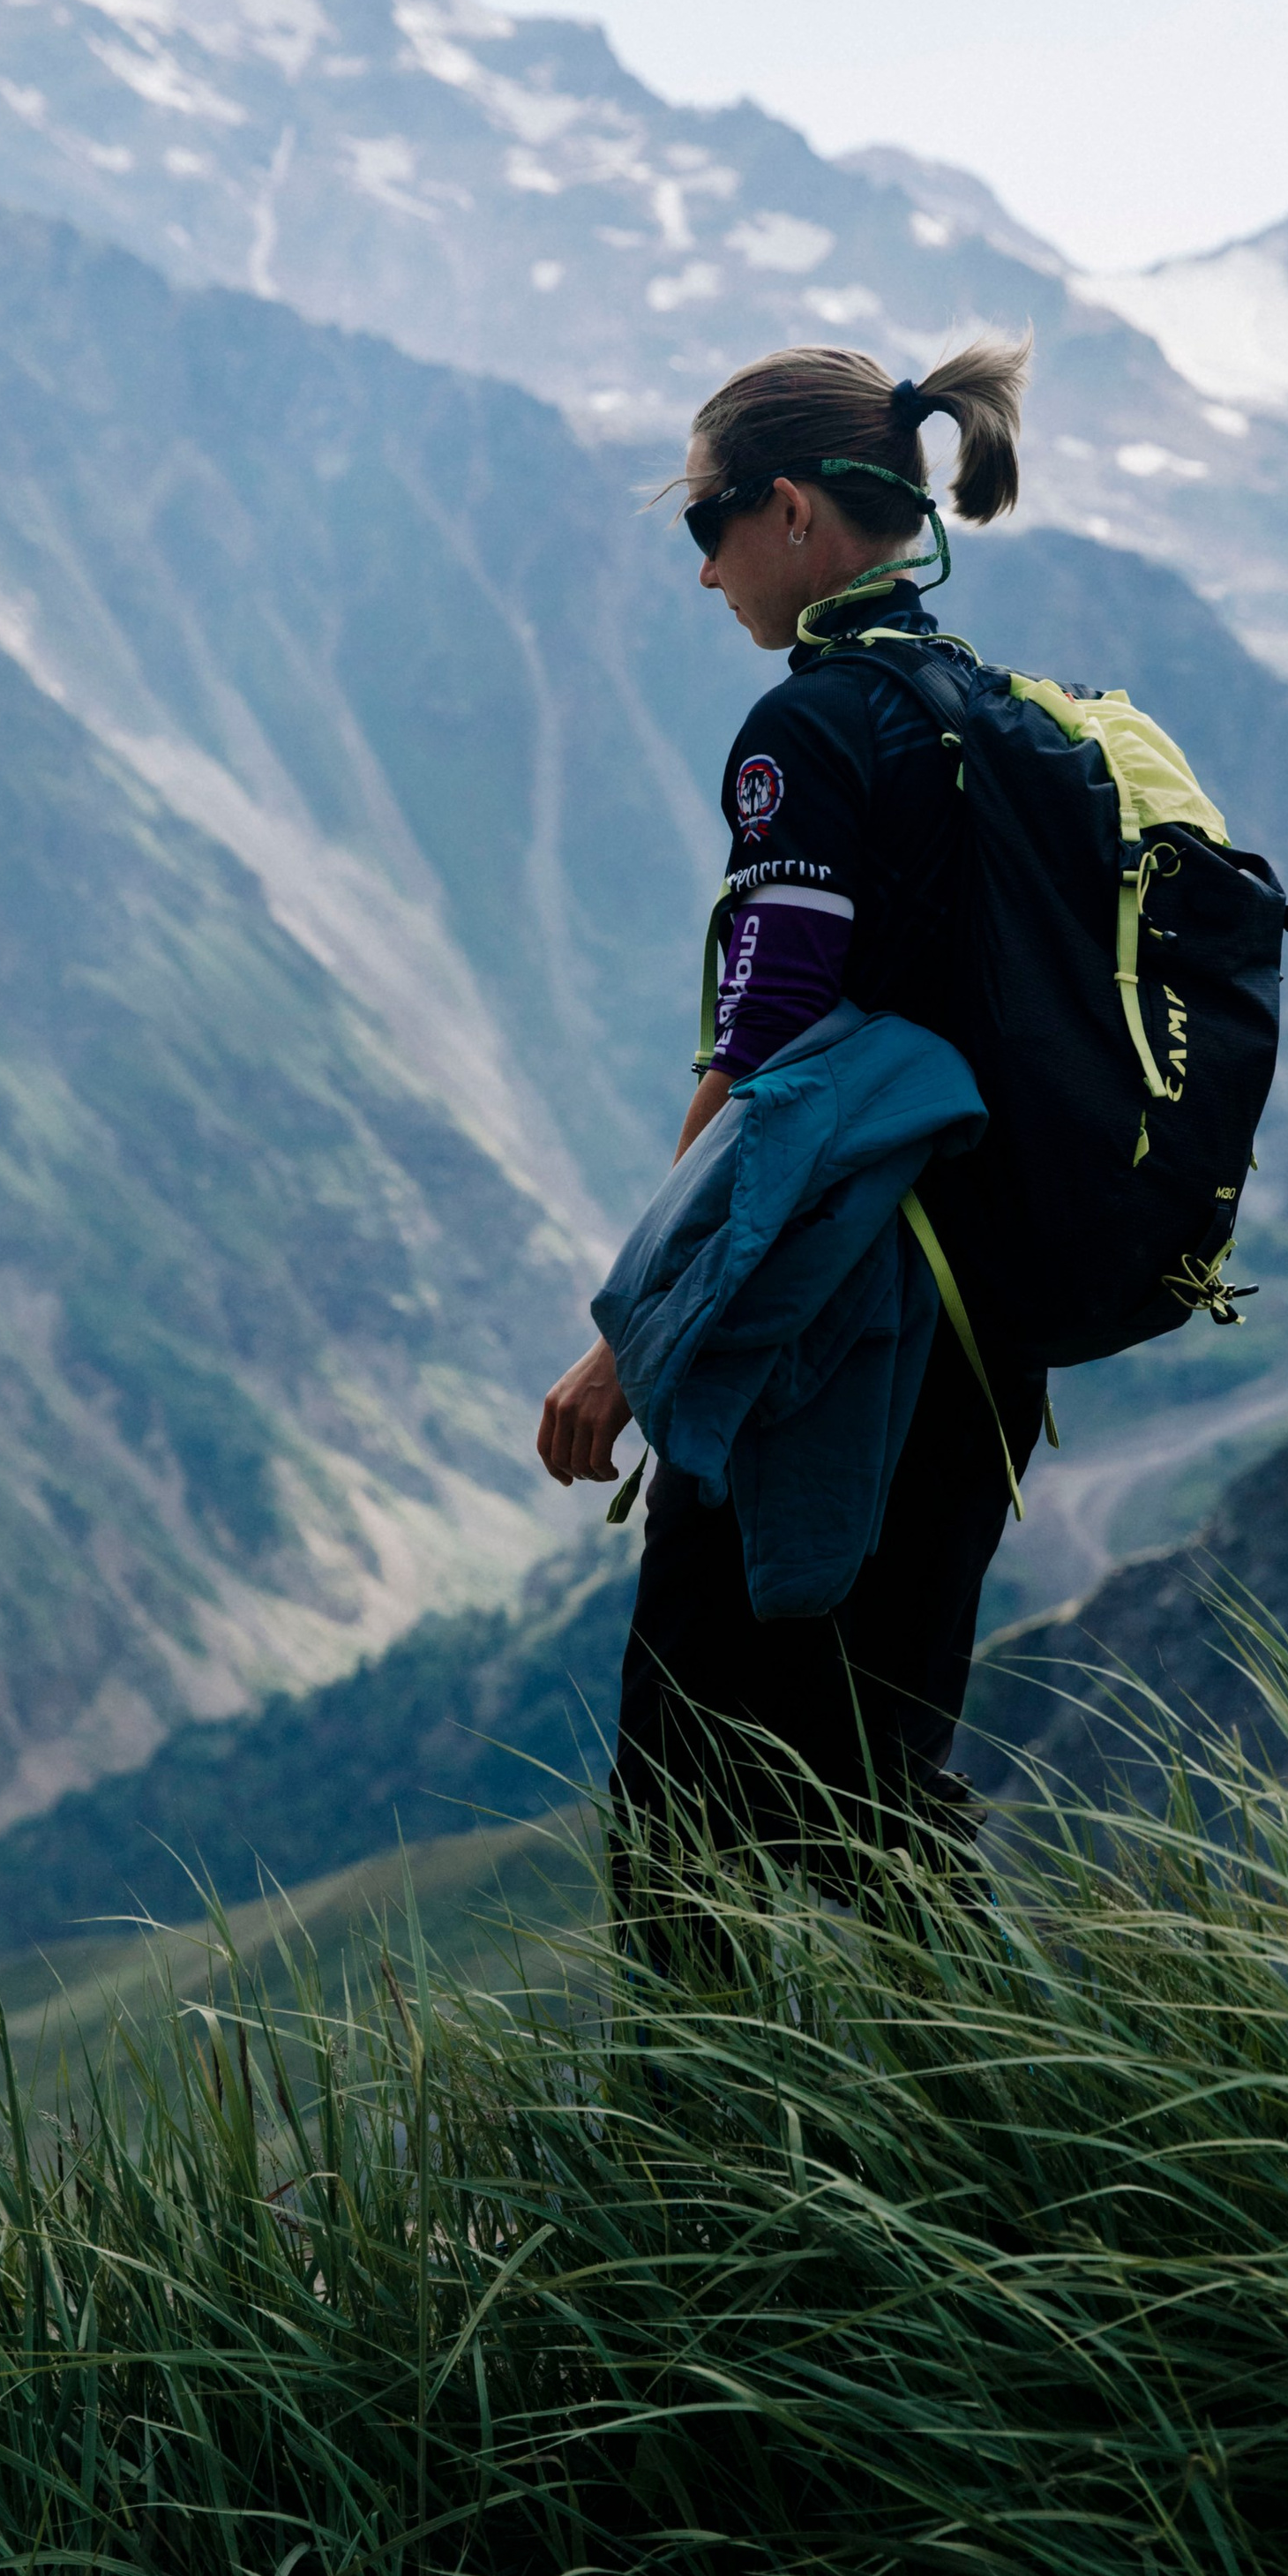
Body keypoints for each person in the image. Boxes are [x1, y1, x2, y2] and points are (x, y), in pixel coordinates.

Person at [535, 338, 1045, 1912]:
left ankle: (696, 2094)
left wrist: (635, 1343)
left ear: (797, 513)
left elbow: (768, 1059)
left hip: (829, 1327)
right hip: (987, 1339)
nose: (704, 572)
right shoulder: (987, 712)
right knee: (880, 1802)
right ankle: (1003, 2073)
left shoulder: (810, 734)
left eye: (711, 524)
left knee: (679, 1823)